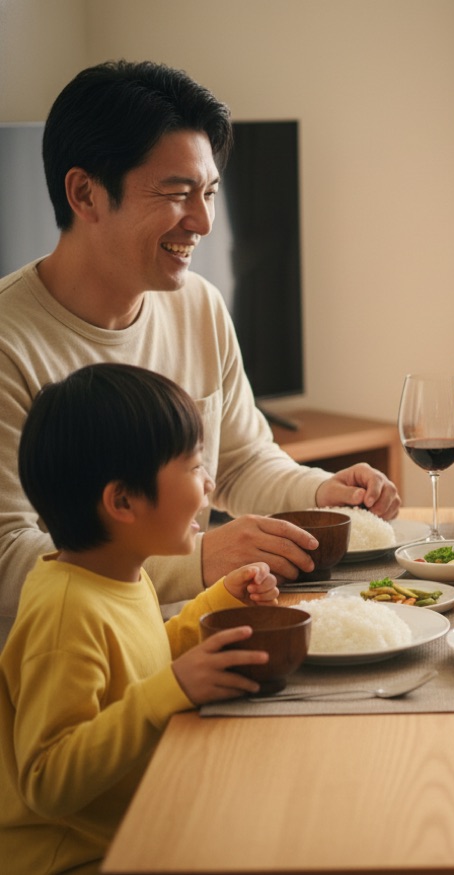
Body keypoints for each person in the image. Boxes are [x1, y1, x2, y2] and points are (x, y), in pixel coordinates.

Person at [0, 60, 399, 645]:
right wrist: (198, 560)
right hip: (73, 667)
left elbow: (239, 463)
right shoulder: (11, 343)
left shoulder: (199, 305)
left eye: (209, 192)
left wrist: (319, 493)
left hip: (196, 635)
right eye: (177, 193)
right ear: (84, 193)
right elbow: (9, 560)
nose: (205, 221)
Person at [0, 363, 282, 874]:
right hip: (81, 855)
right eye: (194, 467)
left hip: (136, 822)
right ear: (123, 501)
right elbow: (46, 781)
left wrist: (217, 602)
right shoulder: (67, 613)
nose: (209, 482)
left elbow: (142, 658)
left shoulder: (116, 573)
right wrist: (169, 690)